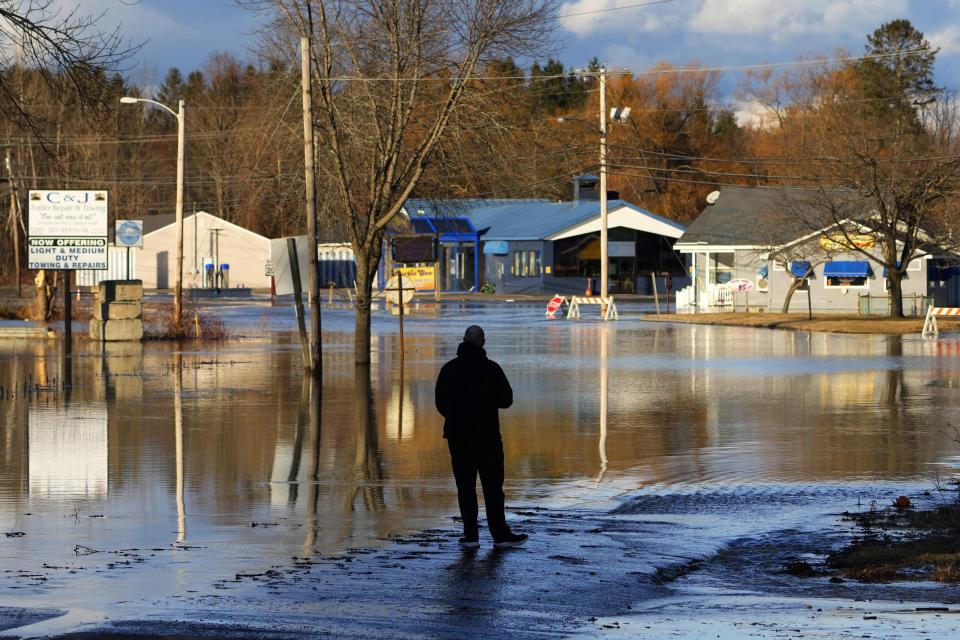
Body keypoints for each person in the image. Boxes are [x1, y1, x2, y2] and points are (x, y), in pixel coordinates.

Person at [435, 325, 528, 549]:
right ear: (483, 343)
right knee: (493, 488)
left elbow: (440, 404)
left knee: (465, 487)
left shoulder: (449, 369)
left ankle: (470, 536)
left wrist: (457, 414)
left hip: (458, 437)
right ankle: (500, 534)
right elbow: (506, 400)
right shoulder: (492, 369)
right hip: (488, 437)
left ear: (463, 339)